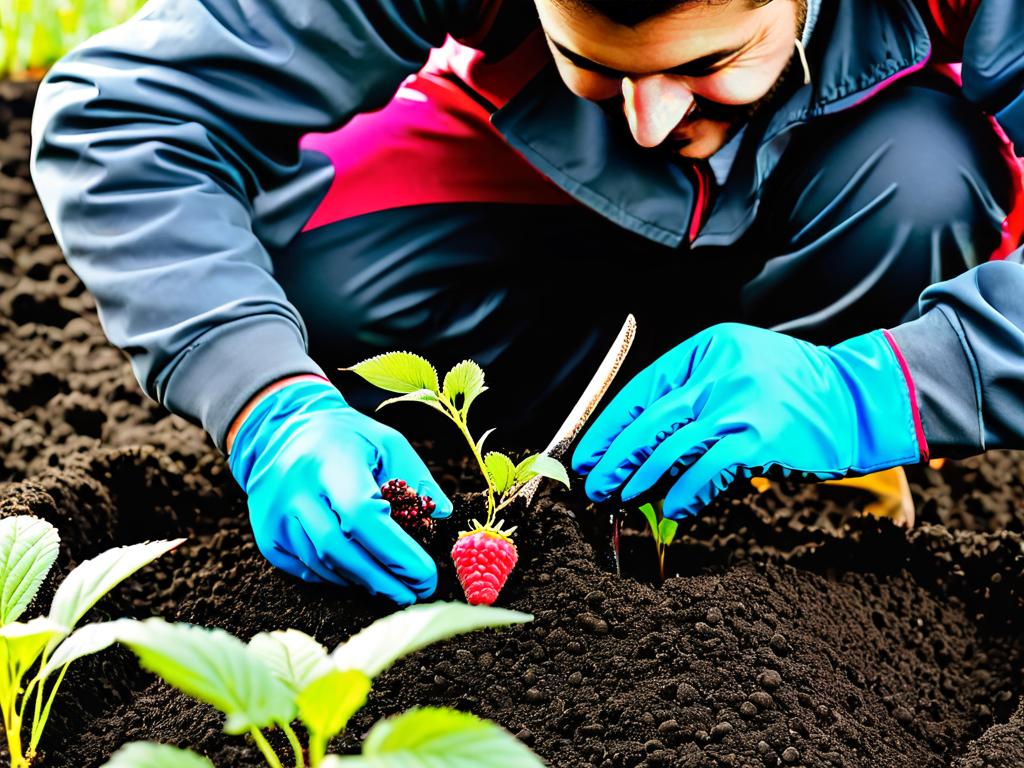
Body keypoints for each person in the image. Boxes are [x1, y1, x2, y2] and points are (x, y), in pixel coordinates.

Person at [31, 0, 1024, 605]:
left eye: (708, 63)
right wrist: (264, 402)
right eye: (593, 59)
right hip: (531, 182)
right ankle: (566, 470)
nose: (650, 117)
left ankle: (800, 493)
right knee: (304, 258)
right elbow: (125, 117)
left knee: (928, 174)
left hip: (845, 188)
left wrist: (878, 389)